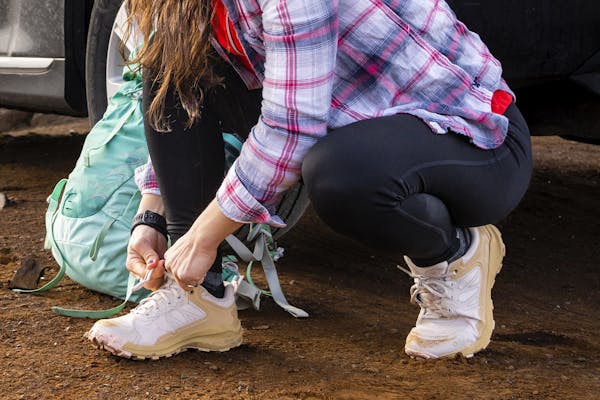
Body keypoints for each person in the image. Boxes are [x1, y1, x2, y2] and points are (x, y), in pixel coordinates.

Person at [85, 0, 532, 360]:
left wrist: (201, 239)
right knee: (169, 61)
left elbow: (291, 129)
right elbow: (168, 99)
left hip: (473, 136)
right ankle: (197, 298)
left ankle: (454, 256)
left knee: (340, 177)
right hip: (353, 123)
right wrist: (153, 215)